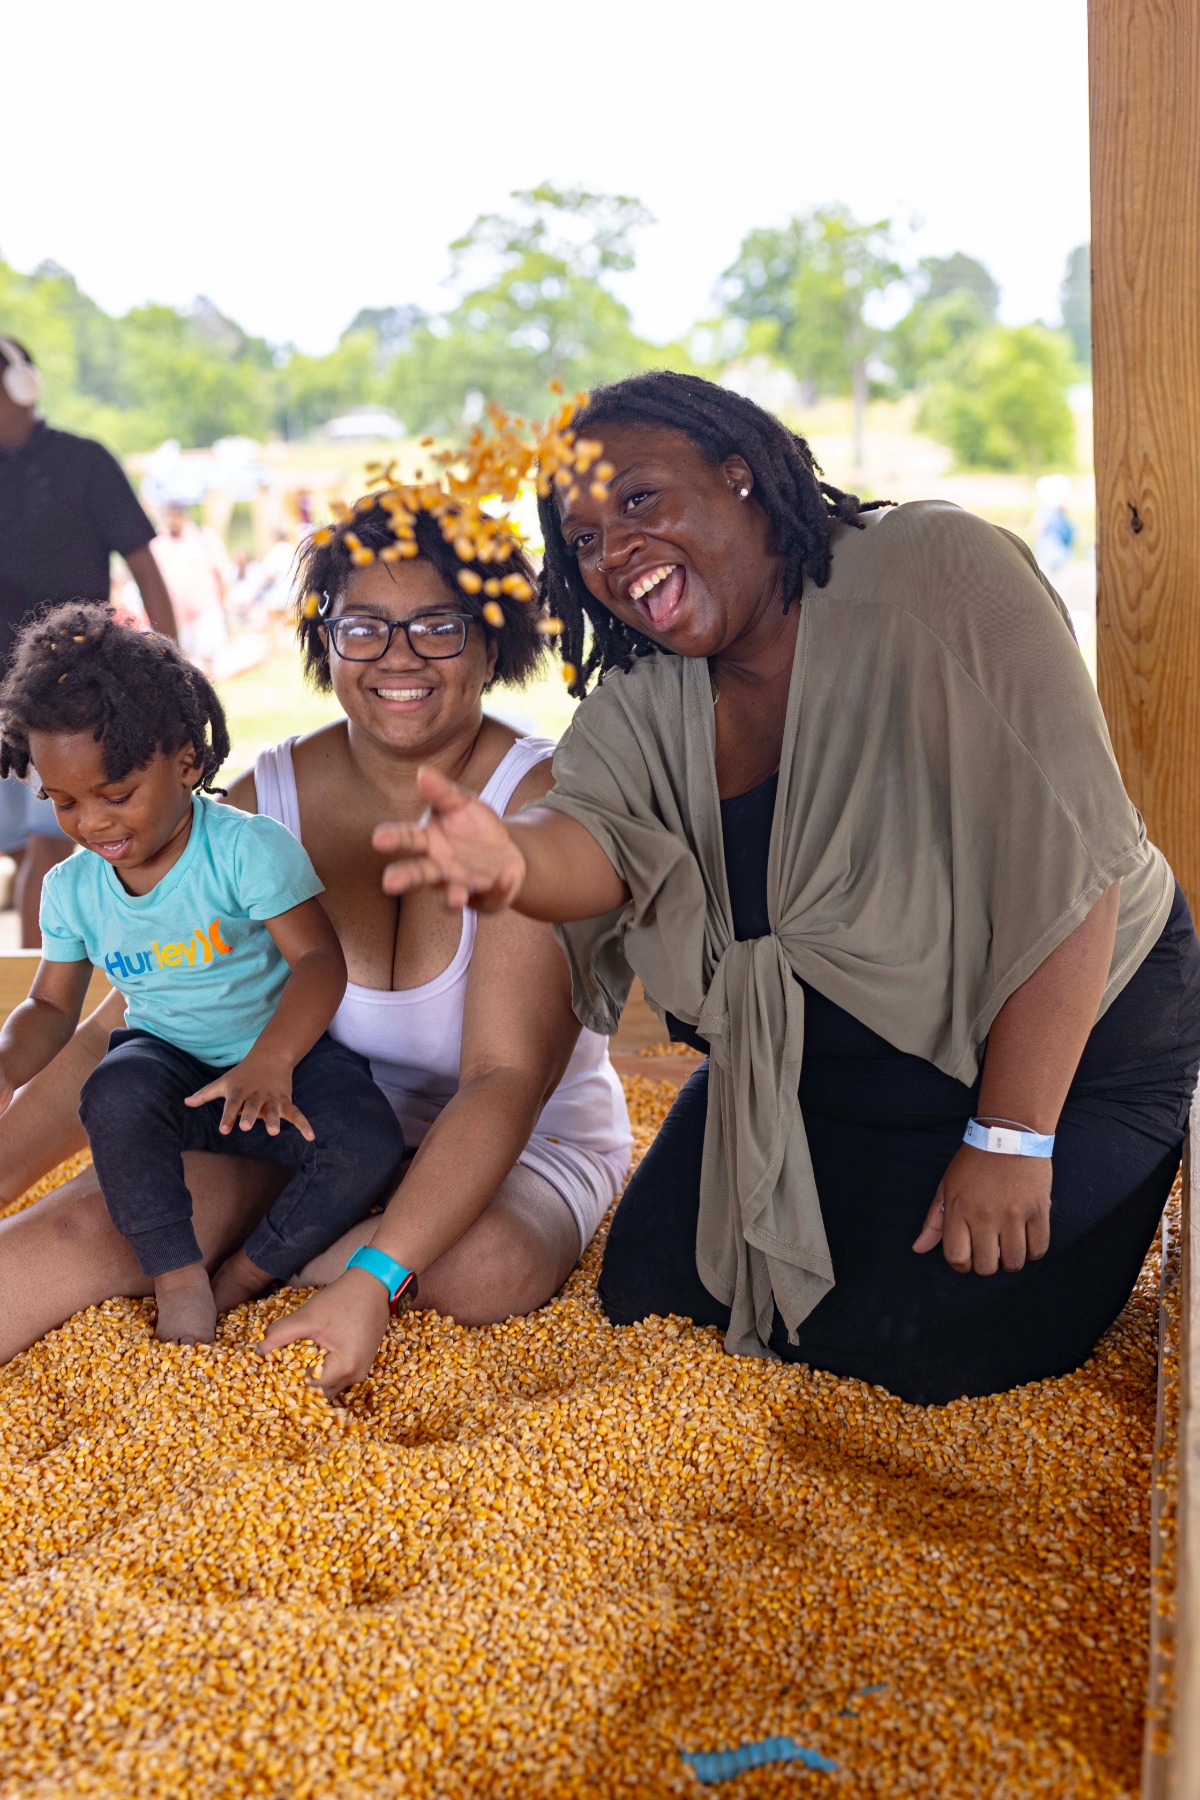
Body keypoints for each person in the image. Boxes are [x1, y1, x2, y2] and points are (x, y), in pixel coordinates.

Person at [373, 370, 1200, 1407]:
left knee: (914, 1357)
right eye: (583, 538)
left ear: (743, 474)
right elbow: (592, 833)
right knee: (654, 1296)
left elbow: (1076, 870)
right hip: (815, 1073)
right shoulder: (648, 695)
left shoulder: (933, 570)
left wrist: (1011, 1137)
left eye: (639, 499)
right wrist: (512, 859)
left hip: (1062, 1052)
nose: (614, 549)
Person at [0, 503, 630, 1395]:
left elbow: (504, 1079)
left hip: (518, 1140)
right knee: (87, 1228)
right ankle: (275, 1251)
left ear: (494, 643)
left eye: (438, 627)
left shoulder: (539, 803)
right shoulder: (260, 802)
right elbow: (136, 1021)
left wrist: (373, 1280)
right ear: (324, 641)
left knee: (482, 1265)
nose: (398, 656)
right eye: (363, 627)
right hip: (293, 1117)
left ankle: (287, 1265)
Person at [0, 604, 405, 1344]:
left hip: (284, 1062)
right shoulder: (71, 889)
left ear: (186, 763)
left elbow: (320, 962)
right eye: (64, 803)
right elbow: (52, 1008)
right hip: (172, 1066)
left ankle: (246, 1273)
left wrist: (272, 1061)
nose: (92, 823)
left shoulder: (246, 849)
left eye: (116, 795)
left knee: (370, 1141)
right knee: (112, 1095)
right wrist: (7, 1063)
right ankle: (178, 1275)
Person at [0, 336, 178, 945]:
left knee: (50, 843)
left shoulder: (85, 462)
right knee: (29, 846)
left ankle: (38, 988)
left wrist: (169, 667)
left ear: (20, 387)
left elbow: (145, 566)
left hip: (70, 695)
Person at [149, 501, 232, 673]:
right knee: (176, 663)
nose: (174, 520)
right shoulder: (156, 541)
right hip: (173, 615)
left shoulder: (203, 537)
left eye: (178, 516)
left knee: (208, 660)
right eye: (170, 516)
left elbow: (221, 574)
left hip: (205, 610)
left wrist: (224, 605)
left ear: (186, 516)